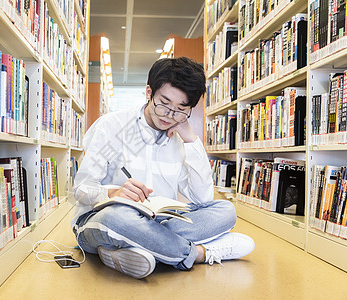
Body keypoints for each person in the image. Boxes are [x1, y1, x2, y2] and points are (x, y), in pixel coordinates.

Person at [72, 57, 254, 279]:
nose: (169, 116)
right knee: (117, 219)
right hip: (102, 218)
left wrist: (191, 140)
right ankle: (197, 254)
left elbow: (202, 198)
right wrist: (113, 193)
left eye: (180, 109)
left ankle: (135, 247)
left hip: (158, 220)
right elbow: (81, 189)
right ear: (149, 92)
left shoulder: (179, 137)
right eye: (164, 104)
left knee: (225, 211)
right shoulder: (111, 126)